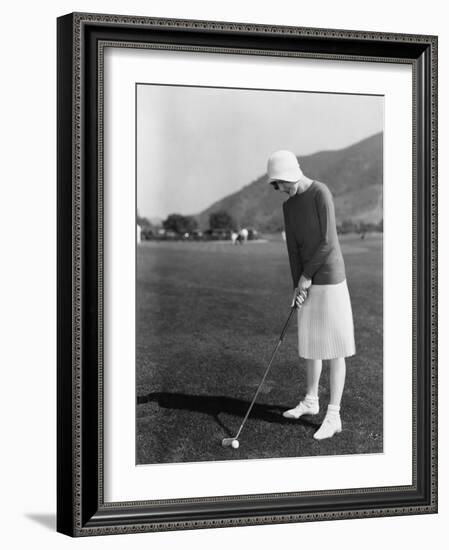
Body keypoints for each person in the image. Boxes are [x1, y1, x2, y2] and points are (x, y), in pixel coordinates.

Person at [267, 150, 356, 440]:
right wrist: (298, 285)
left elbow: (328, 242)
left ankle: (334, 416)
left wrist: (307, 277)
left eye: (282, 183)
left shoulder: (321, 193)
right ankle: (310, 400)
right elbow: (293, 249)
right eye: (277, 186)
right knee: (312, 342)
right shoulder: (289, 207)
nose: (282, 190)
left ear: (292, 174)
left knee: (334, 347)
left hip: (329, 277)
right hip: (306, 280)